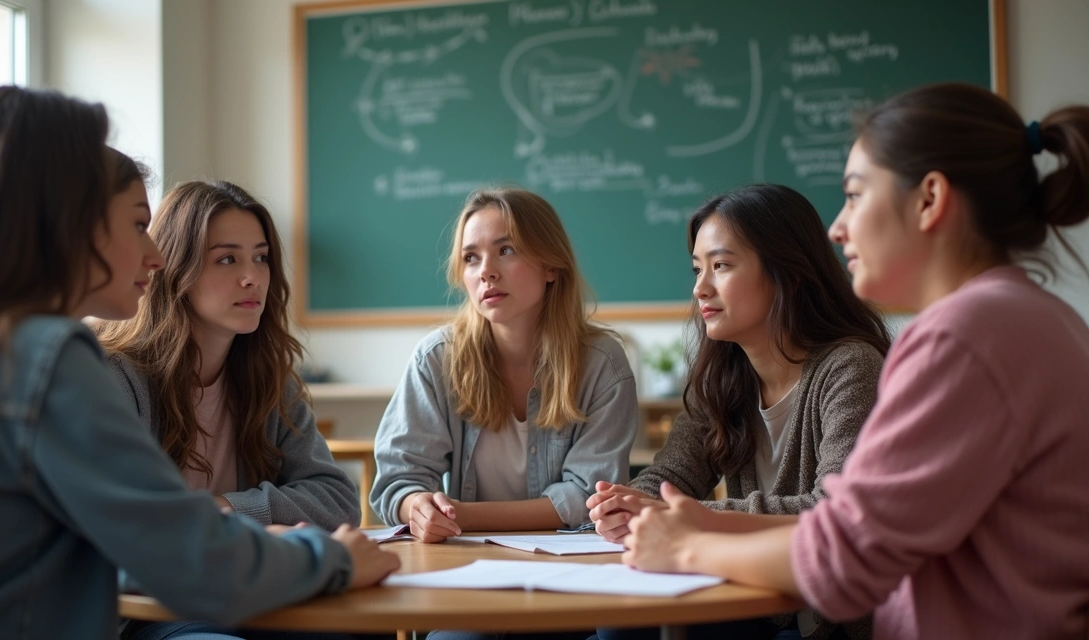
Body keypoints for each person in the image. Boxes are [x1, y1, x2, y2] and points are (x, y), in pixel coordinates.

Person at [0, 86, 398, 640]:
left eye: (261, 259)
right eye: (135, 224)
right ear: (61, 222)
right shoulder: (47, 360)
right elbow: (191, 561)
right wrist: (332, 560)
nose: (155, 256)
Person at [622, 82, 1089, 639]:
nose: (837, 228)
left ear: (929, 200)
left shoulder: (961, 338)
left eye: (855, 195)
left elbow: (844, 555)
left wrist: (689, 543)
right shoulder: (1034, 315)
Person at [588, 184, 888, 640]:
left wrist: (694, 515)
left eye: (721, 266)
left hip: (826, 621)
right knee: (616, 629)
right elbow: (666, 480)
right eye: (696, 268)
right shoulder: (722, 377)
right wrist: (629, 508)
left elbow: (834, 510)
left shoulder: (851, 365)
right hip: (752, 600)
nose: (699, 288)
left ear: (789, 272)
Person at [370, 187, 639, 542]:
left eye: (506, 250)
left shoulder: (602, 363)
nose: (486, 272)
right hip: (464, 563)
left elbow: (588, 496)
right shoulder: (436, 358)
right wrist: (417, 506)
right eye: (471, 258)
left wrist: (460, 515)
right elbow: (398, 479)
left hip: (569, 563)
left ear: (551, 266)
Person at [96, 179, 359, 530]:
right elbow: (120, 518)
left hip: (244, 578)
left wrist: (224, 508)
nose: (252, 277)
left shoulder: (270, 380)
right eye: (227, 259)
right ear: (176, 270)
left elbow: (338, 501)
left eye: (261, 257)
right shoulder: (115, 374)